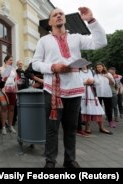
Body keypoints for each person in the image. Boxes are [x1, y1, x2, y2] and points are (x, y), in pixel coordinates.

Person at [32, 7, 107, 168]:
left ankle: (69, 160)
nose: (59, 15)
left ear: (64, 19)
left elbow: (100, 42)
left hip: (74, 89)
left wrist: (91, 20)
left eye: (61, 14)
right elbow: (36, 63)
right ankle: (50, 161)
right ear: (50, 21)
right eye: (55, 14)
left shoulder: (76, 38)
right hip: (52, 89)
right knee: (52, 128)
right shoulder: (43, 41)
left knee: (71, 128)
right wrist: (53, 67)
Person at [79, 65, 112, 135]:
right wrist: (85, 82)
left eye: (84, 63)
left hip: (92, 92)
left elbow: (97, 82)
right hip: (83, 92)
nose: (83, 65)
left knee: (98, 109)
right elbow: (76, 83)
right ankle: (87, 127)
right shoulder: (78, 72)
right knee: (86, 109)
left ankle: (102, 127)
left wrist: (93, 81)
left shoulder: (91, 71)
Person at [0, 55, 17, 135]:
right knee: (4, 108)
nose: (11, 62)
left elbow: (15, 80)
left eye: (12, 60)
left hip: (12, 91)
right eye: (10, 60)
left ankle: (10, 125)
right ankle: (3, 127)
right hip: (4, 91)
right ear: (6, 60)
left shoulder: (13, 69)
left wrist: (16, 90)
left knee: (12, 108)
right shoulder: (1, 69)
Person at [94, 63, 115, 128]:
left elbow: (112, 84)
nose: (99, 68)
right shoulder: (96, 75)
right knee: (99, 109)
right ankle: (100, 122)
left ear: (103, 67)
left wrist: (109, 78)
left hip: (107, 94)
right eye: (97, 67)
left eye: (100, 67)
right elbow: (94, 85)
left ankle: (111, 121)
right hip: (99, 94)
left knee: (108, 108)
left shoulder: (108, 74)